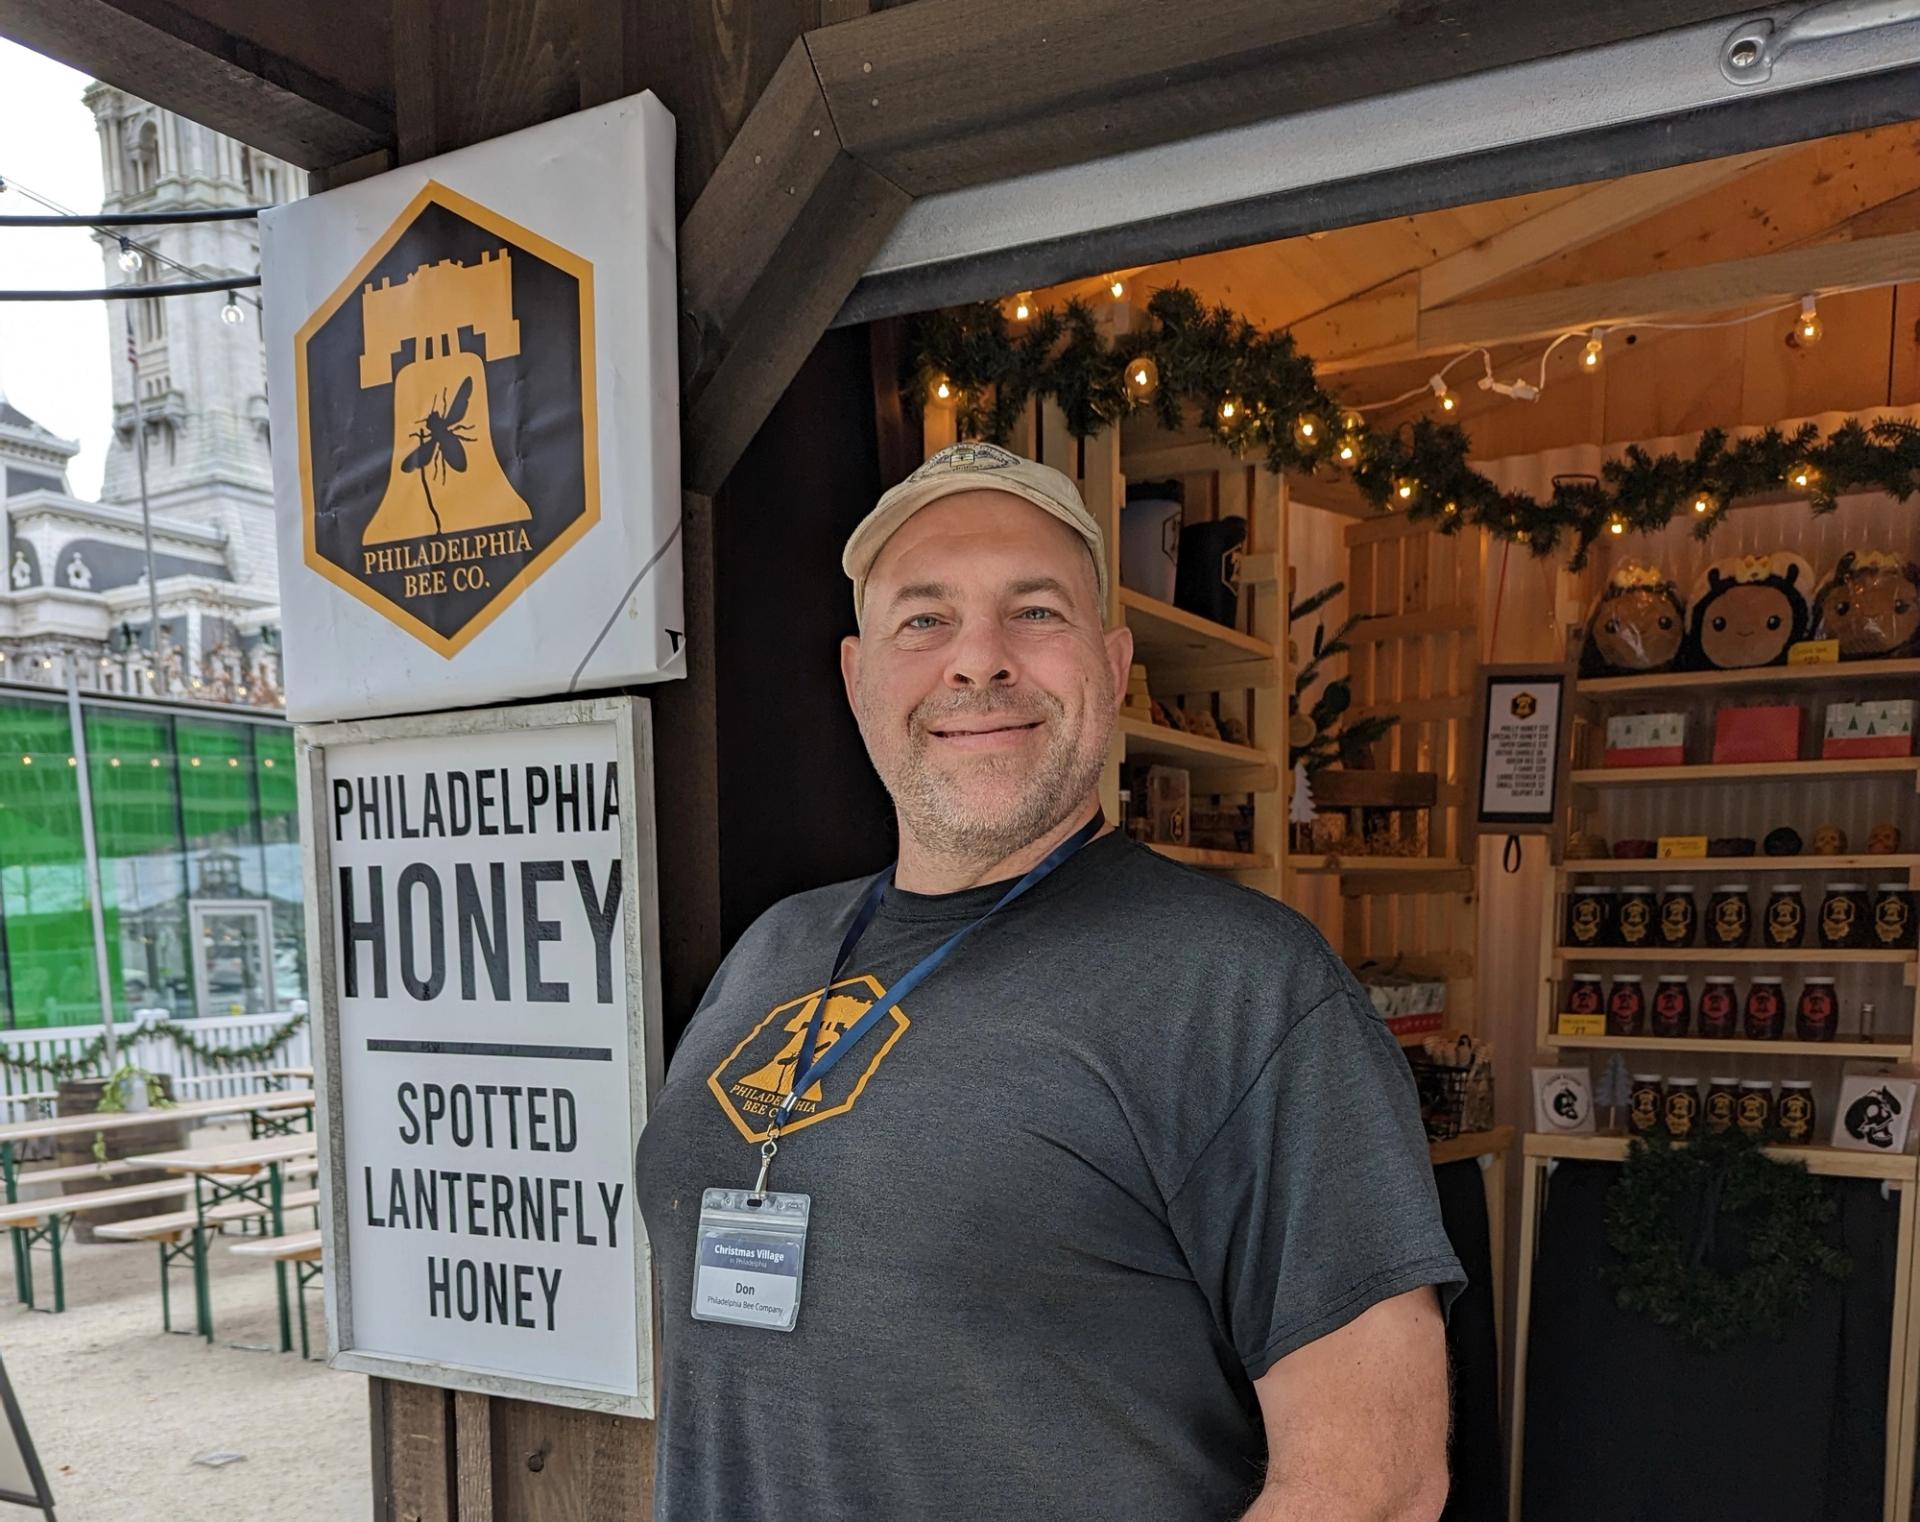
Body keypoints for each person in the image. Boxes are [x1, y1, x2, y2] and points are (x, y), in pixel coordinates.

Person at [634, 441, 1464, 1522]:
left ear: (1114, 669)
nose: (977, 661)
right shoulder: (773, 949)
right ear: (856, 676)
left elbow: (1377, 1484)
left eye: (1035, 613)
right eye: (923, 619)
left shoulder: (1243, 990)